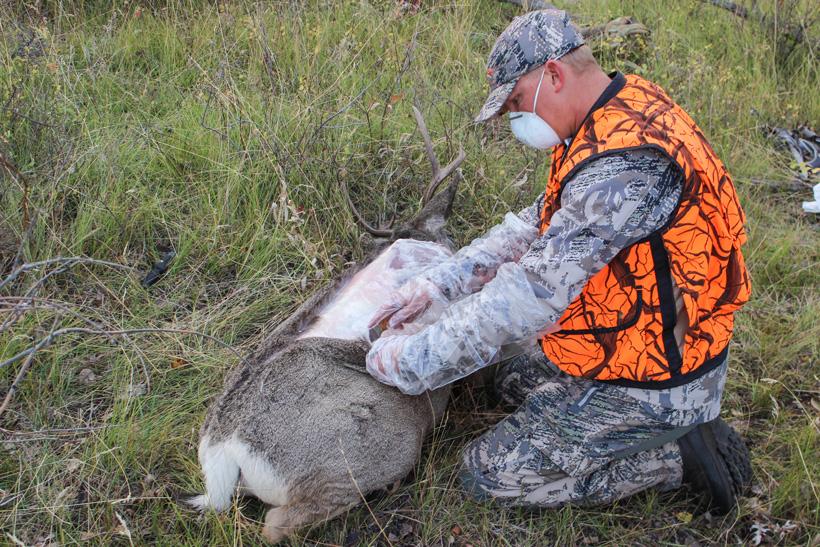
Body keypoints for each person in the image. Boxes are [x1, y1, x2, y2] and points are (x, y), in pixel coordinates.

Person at [365, 9, 752, 512]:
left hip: (660, 377)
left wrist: (411, 362)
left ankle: (677, 455)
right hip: (629, 338)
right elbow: (537, 223)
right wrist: (440, 284)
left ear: (553, 74)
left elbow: (529, 296)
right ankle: (618, 421)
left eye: (517, 101)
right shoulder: (616, 112)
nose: (514, 118)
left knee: (487, 476)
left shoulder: (626, 167)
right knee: (508, 381)